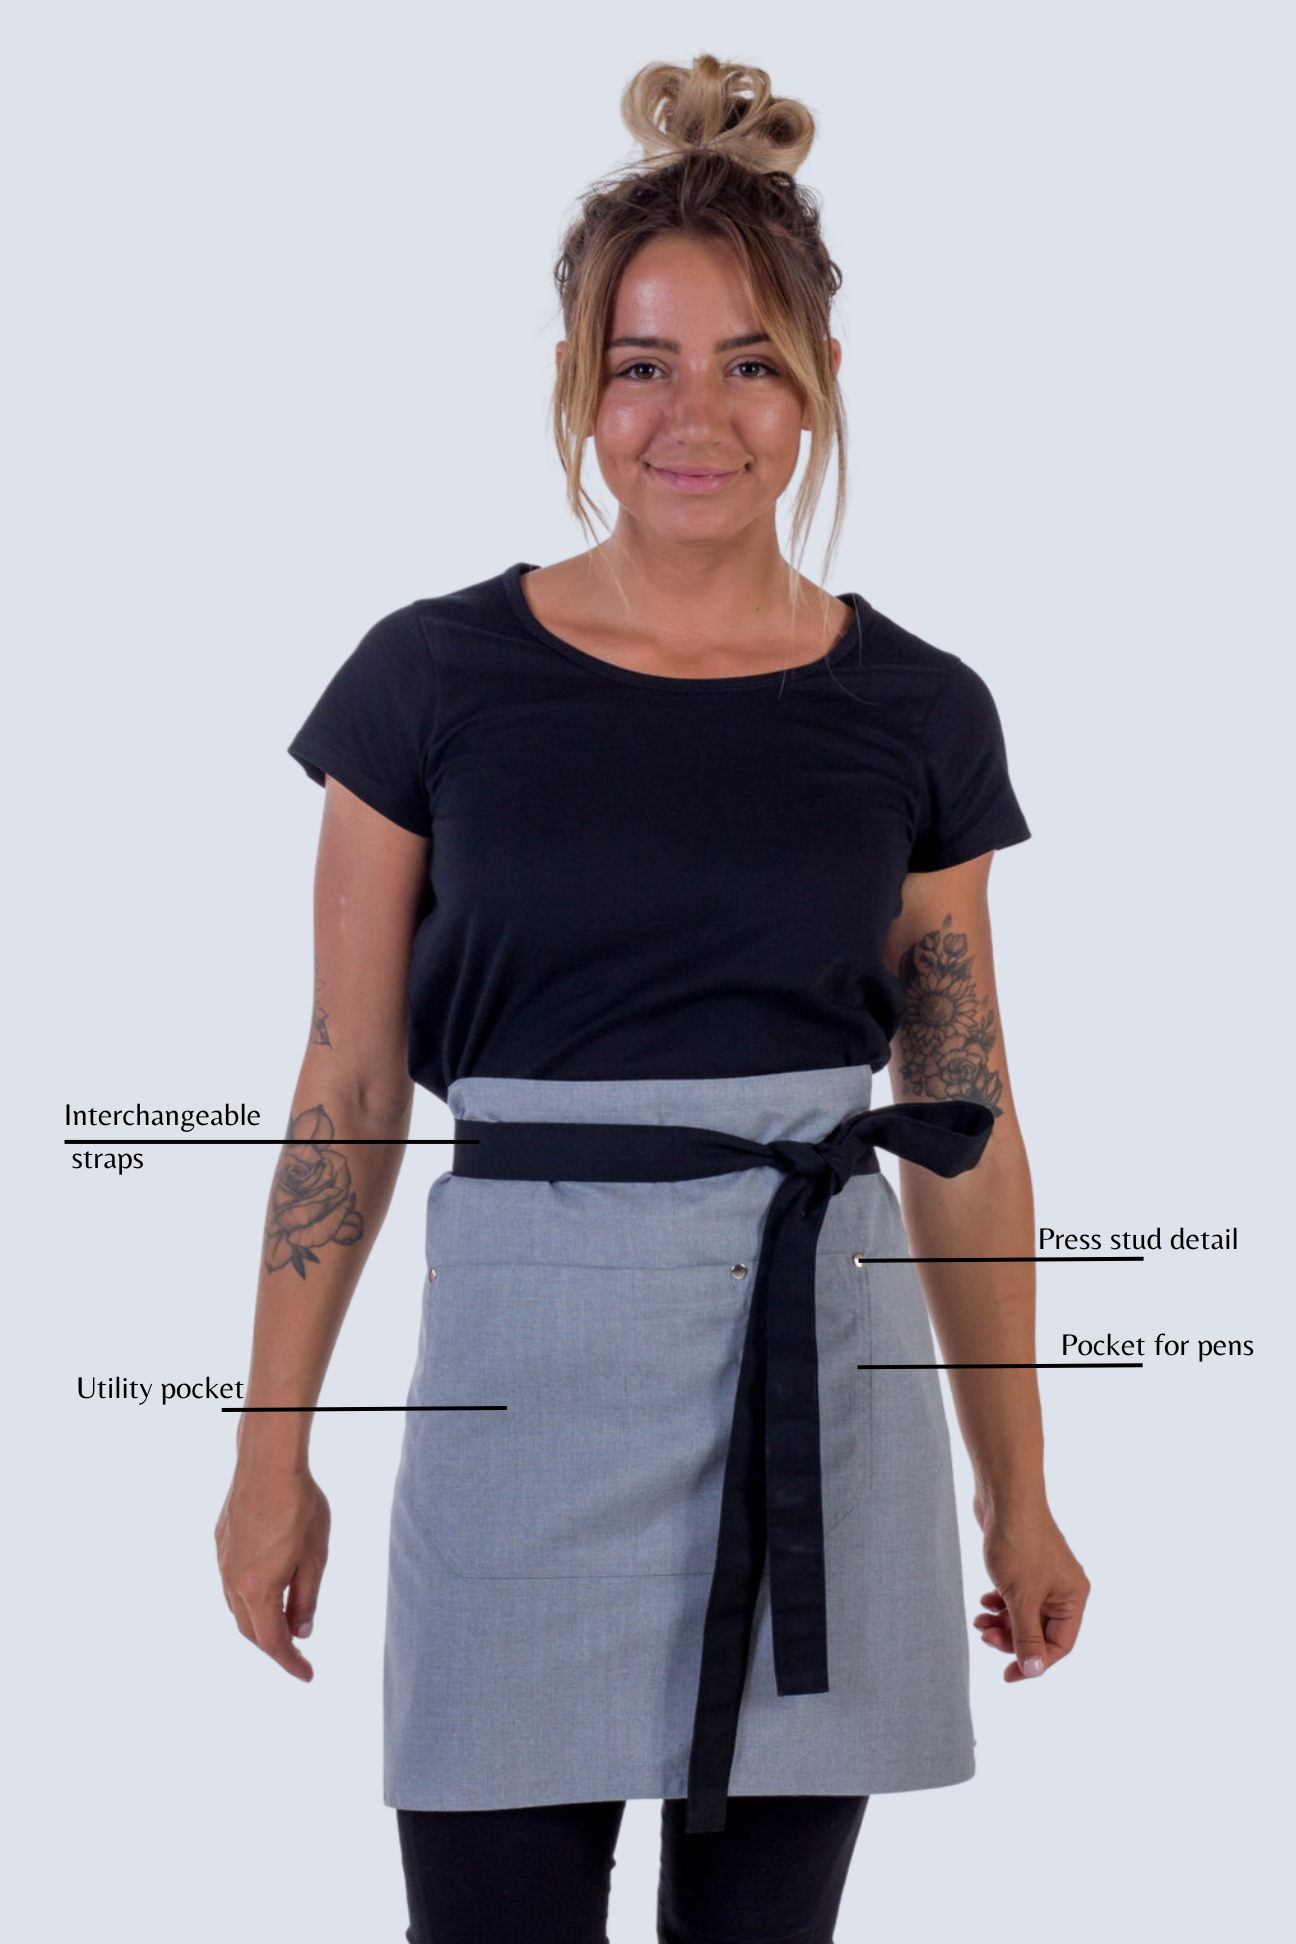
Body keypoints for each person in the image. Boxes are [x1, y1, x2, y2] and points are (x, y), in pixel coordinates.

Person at [215, 52, 1090, 1944]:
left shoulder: (919, 711)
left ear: (821, 380)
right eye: (644, 364)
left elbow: (964, 1118)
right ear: (577, 385)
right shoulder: (429, 681)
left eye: (750, 362)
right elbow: (349, 1084)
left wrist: (1018, 1487)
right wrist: (269, 1454)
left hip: (815, 1393)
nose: (696, 415)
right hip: (519, 1399)